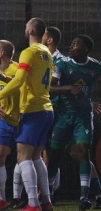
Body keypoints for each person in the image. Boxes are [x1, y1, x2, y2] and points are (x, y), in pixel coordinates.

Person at [0, 17, 54, 211]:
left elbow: (20, 81)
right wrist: (6, 79)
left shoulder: (28, 52)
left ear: (30, 31)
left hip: (32, 109)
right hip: (47, 109)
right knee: (36, 157)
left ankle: (33, 204)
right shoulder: (46, 52)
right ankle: (46, 201)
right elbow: (32, 79)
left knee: (23, 157)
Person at [46, 35, 101, 211]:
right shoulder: (63, 64)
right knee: (54, 156)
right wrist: (68, 87)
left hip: (83, 117)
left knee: (84, 152)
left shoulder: (95, 66)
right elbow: (49, 88)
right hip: (63, 116)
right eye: (71, 43)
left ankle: (84, 198)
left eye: (75, 44)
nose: (71, 46)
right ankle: (49, 195)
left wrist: (90, 101)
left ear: (85, 49)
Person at [0, 40, 21, 211]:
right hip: (4, 121)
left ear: (1, 53)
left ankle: (19, 197)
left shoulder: (18, 69)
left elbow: (22, 89)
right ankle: (1, 199)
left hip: (23, 120)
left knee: (24, 160)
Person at [41, 26, 64, 200]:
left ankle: (50, 190)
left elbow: (51, 83)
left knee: (51, 150)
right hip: (44, 107)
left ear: (49, 40)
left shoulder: (58, 59)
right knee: (45, 150)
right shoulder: (44, 56)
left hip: (55, 109)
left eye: (44, 35)